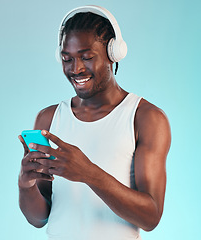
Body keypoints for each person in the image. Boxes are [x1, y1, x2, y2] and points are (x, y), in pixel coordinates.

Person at [18, 5, 171, 240]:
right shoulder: (49, 118)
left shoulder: (145, 118)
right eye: (67, 59)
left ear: (113, 53)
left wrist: (88, 173)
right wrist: (25, 185)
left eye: (87, 57)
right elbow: (39, 218)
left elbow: (150, 217)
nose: (76, 69)